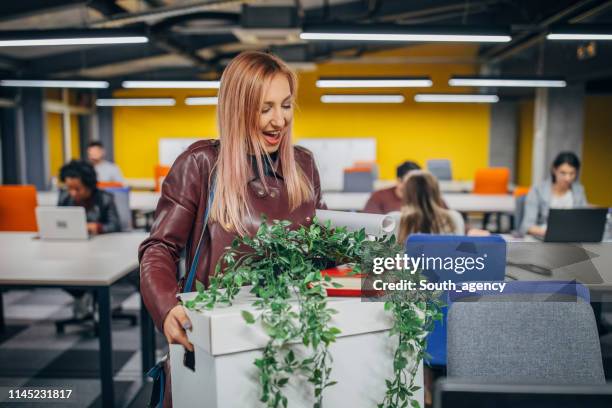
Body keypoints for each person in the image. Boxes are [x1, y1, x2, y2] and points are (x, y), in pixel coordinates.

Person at [138, 51, 326, 407]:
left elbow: (322, 245)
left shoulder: (303, 165)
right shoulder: (201, 164)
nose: (279, 120)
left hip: (292, 332)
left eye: (286, 105)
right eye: (264, 108)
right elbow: (159, 248)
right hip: (217, 335)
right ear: (237, 108)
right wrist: (166, 308)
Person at [58, 159, 121, 318]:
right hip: (72, 250)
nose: (72, 193)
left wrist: (97, 227)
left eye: (77, 189)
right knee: (57, 271)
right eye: (69, 188)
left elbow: (115, 225)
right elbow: (59, 222)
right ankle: (81, 296)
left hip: (102, 251)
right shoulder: (65, 198)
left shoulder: (105, 198)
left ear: (89, 184)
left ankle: (97, 299)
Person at [520, 151, 587, 238]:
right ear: (554, 170)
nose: (568, 178)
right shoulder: (538, 190)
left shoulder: (579, 190)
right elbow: (527, 226)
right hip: (544, 237)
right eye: (563, 173)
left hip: (571, 240)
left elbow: (583, 220)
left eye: (572, 173)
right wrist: (553, 233)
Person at [395, 170, 464, 244]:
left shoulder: (395, 219)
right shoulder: (454, 218)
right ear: (436, 192)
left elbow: (386, 252)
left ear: (406, 193)